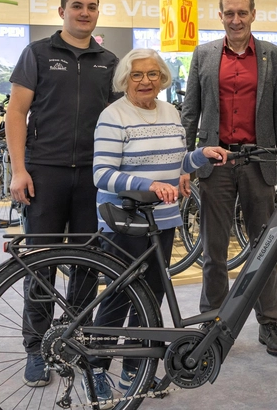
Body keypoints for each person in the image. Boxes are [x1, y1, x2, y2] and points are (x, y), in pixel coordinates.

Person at [88, 48, 228, 408]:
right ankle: (97, 367)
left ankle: (136, 369)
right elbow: (102, 173)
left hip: (162, 221)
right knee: (119, 297)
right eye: (137, 75)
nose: (146, 81)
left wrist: (200, 156)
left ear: (163, 78)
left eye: (153, 74)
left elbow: (174, 161)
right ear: (125, 80)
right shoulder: (113, 115)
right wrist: (147, 185)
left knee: (151, 297)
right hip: (123, 222)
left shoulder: (170, 112)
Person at [6, 0, 122, 388]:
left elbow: (120, 120)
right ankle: (36, 348)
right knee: (42, 264)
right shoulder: (37, 53)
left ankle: (74, 339)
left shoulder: (108, 61)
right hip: (45, 174)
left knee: (89, 264)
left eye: (91, 6)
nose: (84, 12)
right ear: (62, 12)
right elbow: (16, 113)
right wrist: (19, 170)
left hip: (92, 177)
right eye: (77, 6)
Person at [180, 0, 277, 357]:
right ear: (220, 15)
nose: (235, 20)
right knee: (214, 249)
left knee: (266, 247)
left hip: (259, 162)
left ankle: (269, 323)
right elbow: (190, 113)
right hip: (217, 163)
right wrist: (186, 160)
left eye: (242, 13)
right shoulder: (204, 55)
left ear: (253, 14)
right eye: (229, 13)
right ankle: (211, 322)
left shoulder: (274, 57)